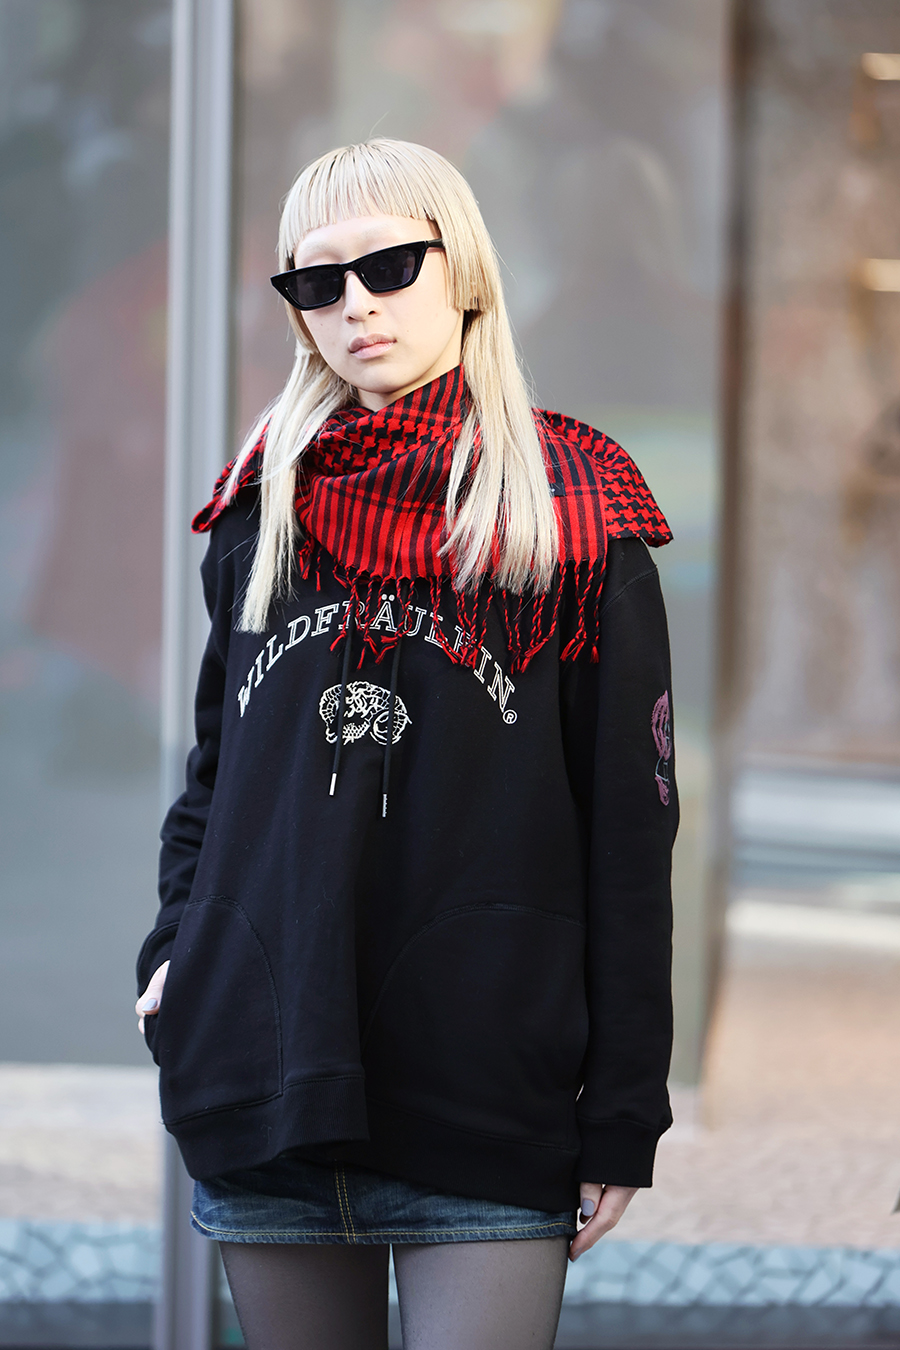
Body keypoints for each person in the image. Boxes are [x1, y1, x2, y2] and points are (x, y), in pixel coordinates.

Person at [135, 138, 677, 1350]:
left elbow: (632, 835)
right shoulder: (261, 506)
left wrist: (624, 1107)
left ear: (463, 269)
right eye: (316, 281)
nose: (356, 305)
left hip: (484, 1098)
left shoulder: (572, 510)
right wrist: (175, 956)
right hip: (263, 1083)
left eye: (388, 266)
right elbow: (219, 778)